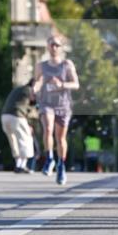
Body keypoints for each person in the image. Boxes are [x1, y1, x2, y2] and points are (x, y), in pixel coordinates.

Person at [33, 35, 79, 185]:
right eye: (51, 45)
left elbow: (76, 84)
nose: (54, 47)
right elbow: (37, 81)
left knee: (60, 139)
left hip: (63, 105)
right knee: (48, 127)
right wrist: (35, 88)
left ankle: (61, 166)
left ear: (61, 48)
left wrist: (62, 85)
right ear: (47, 47)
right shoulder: (41, 66)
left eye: (57, 45)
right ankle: (49, 158)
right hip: (46, 103)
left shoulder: (67, 64)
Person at [1, 78, 37, 173]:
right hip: (17, 117)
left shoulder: (18, 89)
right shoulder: (29, 90)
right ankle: (22, 165)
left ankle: (18, 164)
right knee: (26, 139)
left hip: (5, 116)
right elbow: (32, 105)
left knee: (14, 141)